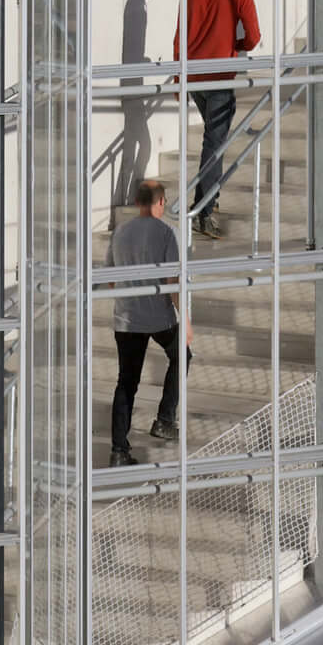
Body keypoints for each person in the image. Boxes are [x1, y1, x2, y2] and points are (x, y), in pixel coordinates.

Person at [175, 0, 260, 238]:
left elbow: (180, 36)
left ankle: (209, 199)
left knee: (213, 139)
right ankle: (203, 210)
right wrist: (234, 45)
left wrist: (178, 78)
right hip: (219, 78)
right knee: (215, 143)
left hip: (194, 77)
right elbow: (253, 37)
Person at [108, 180, 188, 465]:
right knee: (182, 355)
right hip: (158, 317)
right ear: (161, 202)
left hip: (126, 318)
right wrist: (185, 320)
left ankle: (119, 450)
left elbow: (111, 279)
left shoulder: (119, 232)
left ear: (137, 202)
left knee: (126, 382)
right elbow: (171, 281)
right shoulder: (168, 232)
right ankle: (165, 420)